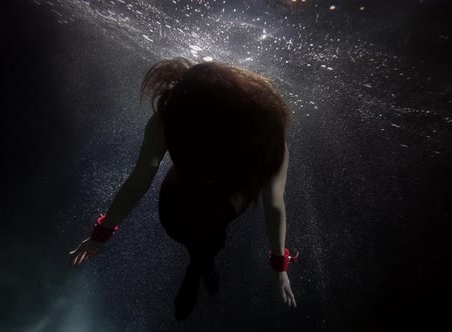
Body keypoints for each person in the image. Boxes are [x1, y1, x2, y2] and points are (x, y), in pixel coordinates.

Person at [68, 57, 299, 320]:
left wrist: (102, 233)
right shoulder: (172, 116)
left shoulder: (265, 134)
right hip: (179, 207)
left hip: (181, 206)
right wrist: (279, 265)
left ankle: (200, 262)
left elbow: (274, 204)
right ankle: (200, 262)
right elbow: (273, 204)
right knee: (208, 237)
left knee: (207, 236)